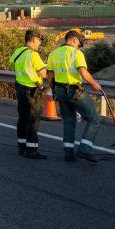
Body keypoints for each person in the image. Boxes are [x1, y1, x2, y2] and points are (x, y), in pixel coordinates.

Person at [46, 30, 102, 163]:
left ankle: (68, 153)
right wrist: (94, 84)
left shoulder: (53, 53)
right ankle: (85, 149)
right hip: (74, 92)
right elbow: (83, 72)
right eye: (79, 43)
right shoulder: (77, 53)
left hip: (59, 91)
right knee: (93, 119)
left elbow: (49, 76)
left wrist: (54, 89)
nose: (78, 46)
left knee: (69, 121)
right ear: (74, 40)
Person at [9, 29, 48, 160]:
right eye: (39, 40)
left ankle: (22, 147)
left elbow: (13, 66)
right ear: (32, 39)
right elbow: (43, 74)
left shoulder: (17, 52)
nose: (39, 44)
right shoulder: (33, 55)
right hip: (32, 91)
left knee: (22, 118)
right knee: (33, 119)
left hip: (20, 88)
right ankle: (31, 150)